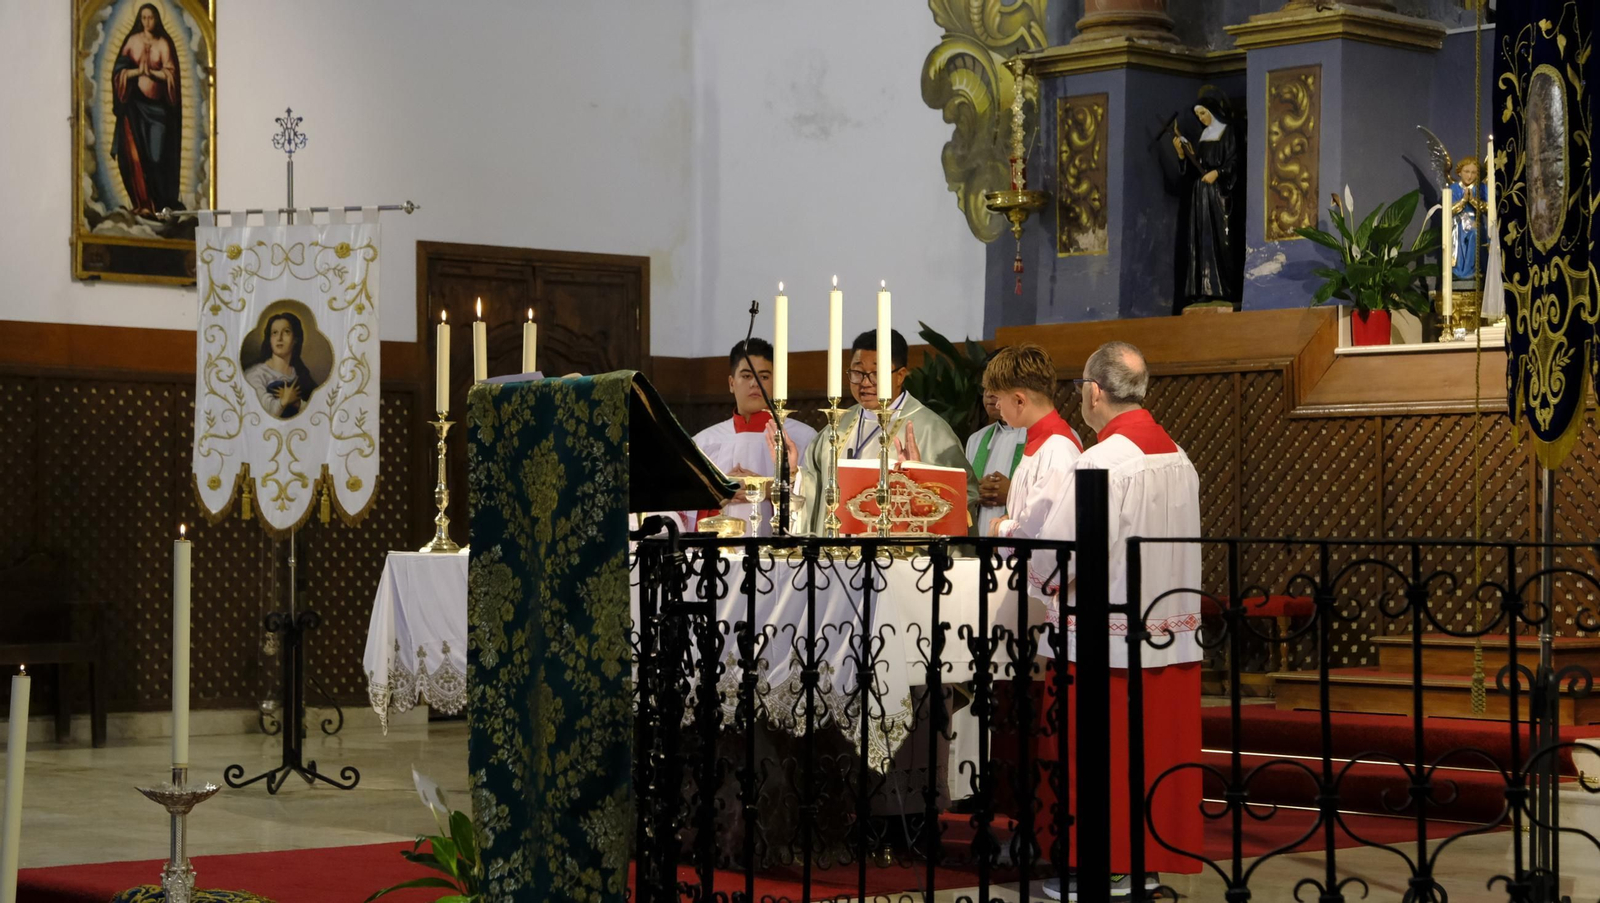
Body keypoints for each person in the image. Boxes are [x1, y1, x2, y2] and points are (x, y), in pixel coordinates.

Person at [1034, 341, 1203, 900]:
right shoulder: (1178, 456)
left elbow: (1060, 552)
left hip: (1103, 641)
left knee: (1100, 758)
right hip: (1167, 634)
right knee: (1150, 758)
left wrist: (1025, 556)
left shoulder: (1102, 461)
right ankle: (1143, 867)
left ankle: (1098, 871)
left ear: (1093, 391)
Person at [782, 329, 977, 536]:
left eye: (877, 373)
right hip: (835, 556)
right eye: (857, 372)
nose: (866, 382)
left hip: (896, 561)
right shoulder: (837, 425)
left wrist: (919, 481)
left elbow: (966, 495)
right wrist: (794, 472)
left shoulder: (929, 429)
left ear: (900, 376)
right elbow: (816, 491)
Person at [686, 339, 817, 535]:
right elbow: (686, 510)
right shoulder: (703, 443)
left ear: (777, 383)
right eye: (746, 376)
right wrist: (718, 493)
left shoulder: (802, 438)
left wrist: (766, 490)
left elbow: (816, 501)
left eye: (763, 377)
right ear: (732, 383)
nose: (755, 383)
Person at [112, 3, 183, 215]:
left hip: (158, 111)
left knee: (156, 156)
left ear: (157, 19)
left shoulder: (163, 44)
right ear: (139, 19)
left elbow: (171, 75)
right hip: (135, 108)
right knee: (135, 156)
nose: (147, 22)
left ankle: (160, 205)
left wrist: (152, 73)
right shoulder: (132, 41)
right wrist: (135, 73)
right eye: (143, 18)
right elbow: (119, 73)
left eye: (150, 18)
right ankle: (143, 205)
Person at [1173, 98, 1239, 310]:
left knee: (1221, 240)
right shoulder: (1203, 136)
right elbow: (1193, 171)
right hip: (1201, 196)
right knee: (1201, 241)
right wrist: (1183, 154)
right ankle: (1203, 288)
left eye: (1203, 113)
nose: (1201, 118)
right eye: (1198, 115)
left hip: (1219, 195)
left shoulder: (1228, 133)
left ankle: (1224, 289)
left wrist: (1218, 173)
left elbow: (1235, 162)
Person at [965, 359, 1031, 537]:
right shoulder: (977, 439)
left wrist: (1011, 494)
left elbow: (1057, 502)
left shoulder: (1045, 438)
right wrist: (976, 491)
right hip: (980, 543)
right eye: (985, 388)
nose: (989, 395)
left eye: (996, 388)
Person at [245, 312, 320, 419]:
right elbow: (257, 412)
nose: (279, 338)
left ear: (295, 339)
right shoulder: (256, 374)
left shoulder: (301, 375)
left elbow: (319, 411)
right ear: (269, 339)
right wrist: (284, 401)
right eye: (274, 333)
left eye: (286, 332)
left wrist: (297, 403)